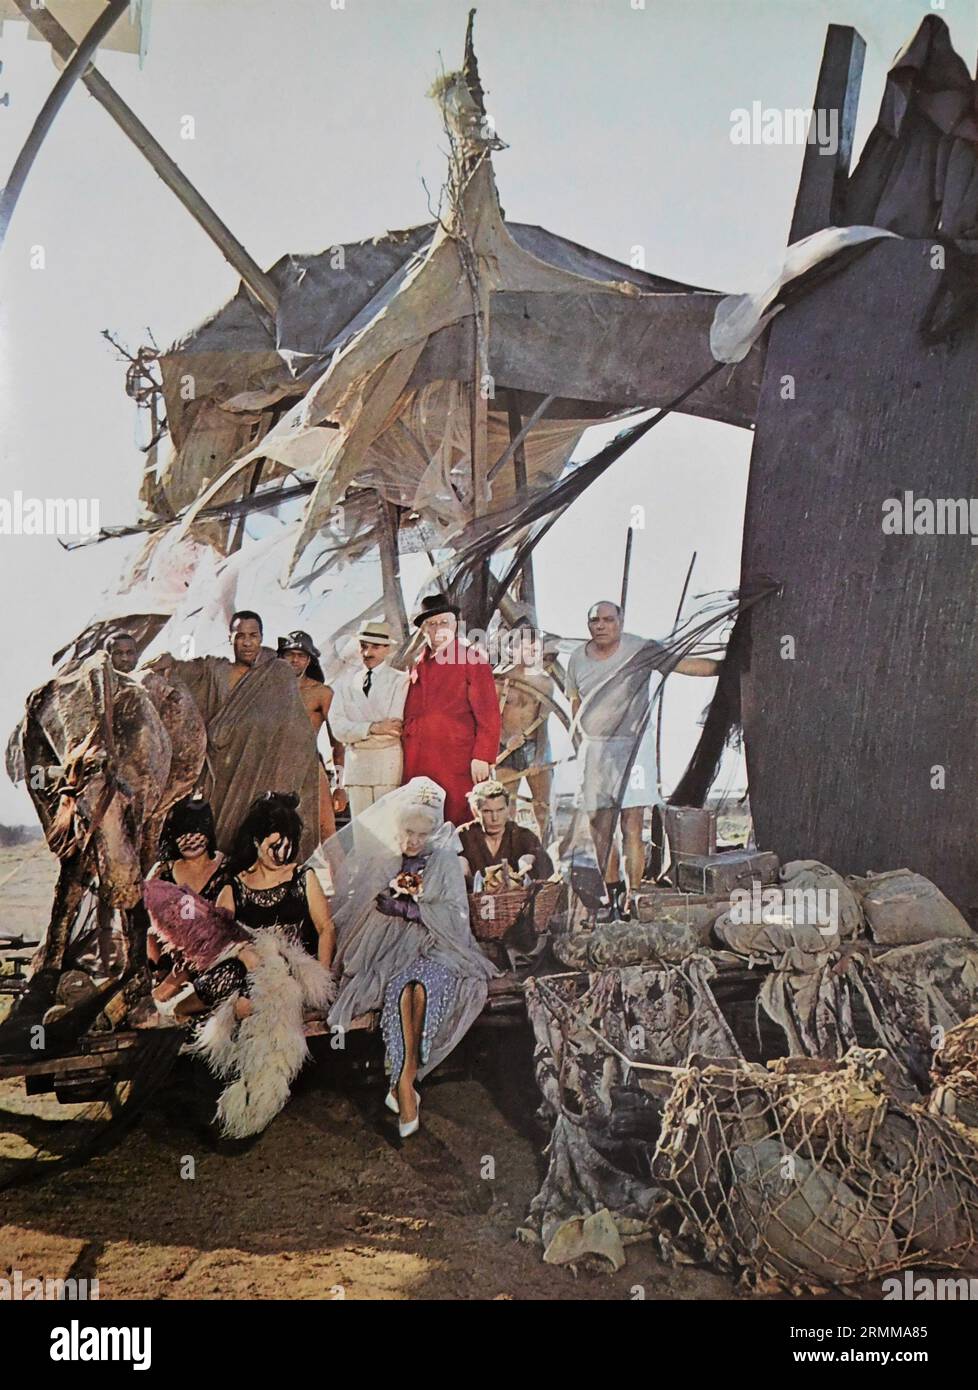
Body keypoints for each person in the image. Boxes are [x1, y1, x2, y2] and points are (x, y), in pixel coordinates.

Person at [325, 778, 497, 1138]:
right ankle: (404, 1085)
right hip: (390, 950)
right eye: (408, 832)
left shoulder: (446, 861)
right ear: (397, 827)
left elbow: (456, 917)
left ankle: (402, 1082)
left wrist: (414, 912)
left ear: (434, 831)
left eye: (423, 833)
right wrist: (389, 902)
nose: (415, 841)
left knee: (422, 986)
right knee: (406, 988)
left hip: (440, 947)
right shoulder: (383, 860)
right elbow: (361, 916)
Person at [566, 600, 719, 921]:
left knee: (631, 822)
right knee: (599, 827)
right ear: (588, 624)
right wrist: (581, 742)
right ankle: (612, 897)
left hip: (633, 750)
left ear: (620, 621)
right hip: (595, 750)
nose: (601, 625)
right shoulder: (577, 658)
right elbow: (575, 703)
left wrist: (727, 666)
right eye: (595, 620)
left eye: (608, 619)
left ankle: (634, 897)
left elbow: (685, 664)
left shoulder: (641, 649)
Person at [147, 611, 320, 858]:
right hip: (221, 775)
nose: (247, 642)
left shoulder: (277, 673)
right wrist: (168, 662)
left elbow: (295, 732)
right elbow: (184, 672)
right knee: (217, 837)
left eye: (253, 635)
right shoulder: (214, 671)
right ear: (230, 639)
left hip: (261, 773)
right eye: (240, 636)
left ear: (262, 638)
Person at [401, 595, 501, 826]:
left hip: (457, 759)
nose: (438, 629)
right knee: (420, 820)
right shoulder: (418, 665)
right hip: (418, 760)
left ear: (455, 624)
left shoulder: (472, 660)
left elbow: (489, 715)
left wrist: (482, 757)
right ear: (423, 630)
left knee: (457, 819)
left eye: (444, 622)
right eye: (431, 624)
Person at [214, 792, 335, 968]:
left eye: (288, 846)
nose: (282, 855)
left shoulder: (303, 877)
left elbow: (326, 928)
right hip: (256, 978)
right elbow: (218, 940)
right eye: (275, 847)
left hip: (302, 976)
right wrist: (242, 953)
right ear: (256, 841)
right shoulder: (234, 888)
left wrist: (323, 980)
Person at [145, 796, 226, 1003]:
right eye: (183, 834)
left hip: (214, 953)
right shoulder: (163, 871)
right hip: (171, 954)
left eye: (197, 831)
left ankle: (163, 995)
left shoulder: (226, 867)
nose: (190, 839)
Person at [328, 620, 409, 817]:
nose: (367, 653)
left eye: (375, 647)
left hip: (387, 769)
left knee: (388, 834)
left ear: (387, 649)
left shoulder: (400, 681)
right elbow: (338, 729)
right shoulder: (345, 683)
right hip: (357, 770)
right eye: (364, 646)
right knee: (363, 837)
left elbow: (393, 730)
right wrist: (373, 727)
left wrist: (355, 733)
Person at [277, 630, 341, 840]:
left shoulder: (322, 693)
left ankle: (338, 875)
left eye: (301, 655)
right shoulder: (268, 691)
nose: (295, 660)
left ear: (309, 660)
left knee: (326, 830)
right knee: (276, 829)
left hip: (309, 766)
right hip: (274, 767)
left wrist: (339, 787)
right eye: (290, 654)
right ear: (282, 656)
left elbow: (337, 744)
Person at [494, 625, 556, 842]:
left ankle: (546, 852)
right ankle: (509, 858)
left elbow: (543, 723)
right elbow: (491, 720)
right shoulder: (499, 679)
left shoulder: (544, 683)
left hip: (534, 746)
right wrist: (505, 741)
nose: (531, 650)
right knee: (505, 807)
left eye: (535, 646)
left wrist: (539, 757)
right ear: (513, 648)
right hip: (504, 748)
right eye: (525, 645)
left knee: (542, 806)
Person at [458, 779, 554, 888]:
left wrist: (530, 864)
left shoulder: (524, 836)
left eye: (500, 810)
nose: (495, 818)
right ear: (475, 812)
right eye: (487, 811)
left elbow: (547, 874)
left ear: (508, 809)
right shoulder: (463, 836)